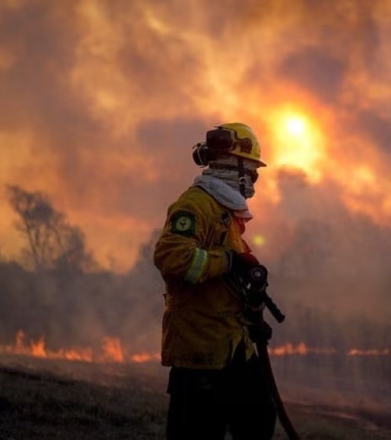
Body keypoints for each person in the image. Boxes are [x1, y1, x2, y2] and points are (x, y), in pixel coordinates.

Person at [153, 123, 276, 440]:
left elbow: (225, 286)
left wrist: (252, 319)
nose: (254, 181)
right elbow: (172, 257)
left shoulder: (226, 211)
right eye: (252, 172)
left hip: (234, 348)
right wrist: (229, 261)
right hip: (200, 353)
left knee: (260, 419)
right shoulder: (196, 205)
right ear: (235, 166)